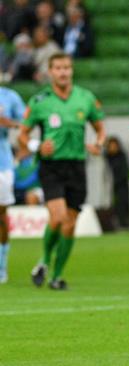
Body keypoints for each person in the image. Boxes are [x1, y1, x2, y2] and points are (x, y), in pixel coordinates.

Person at [19, 53, 105, 290]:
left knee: (69, 224)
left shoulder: (85, 98)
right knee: (57, 218)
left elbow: (100, 128)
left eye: (67, 67)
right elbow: (23, 136)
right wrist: (37, 146)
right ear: (50, 71)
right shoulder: (40, 101)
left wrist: (98, 143)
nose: (63, 72)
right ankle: (45, 260)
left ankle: (56, 276)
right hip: (51, 166)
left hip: (77, 166)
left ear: (72, 70)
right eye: (58, 68)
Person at [0, 86, 26, 284]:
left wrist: (7, 123)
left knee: (1, 215)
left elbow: (26, 124)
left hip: (3, 165)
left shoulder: (9, 96)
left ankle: (2, 266)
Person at [105, 136, 129, 229]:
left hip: (121, 185)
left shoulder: (122, 155)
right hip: (108, 186)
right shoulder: (105, 157)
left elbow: (125, 171)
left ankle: (124, 224)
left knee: (122, 204)